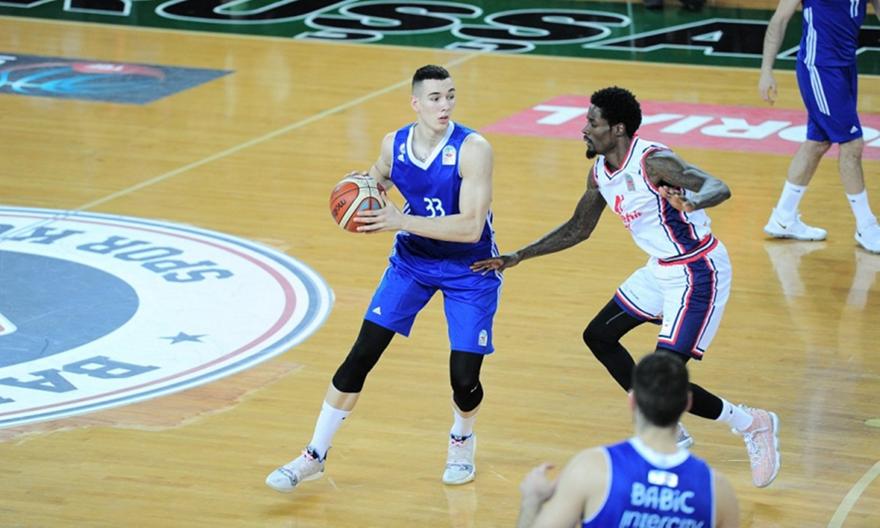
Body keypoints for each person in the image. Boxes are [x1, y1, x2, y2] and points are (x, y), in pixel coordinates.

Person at [472, 86, 780, 488]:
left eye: (592, 122)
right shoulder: (600, 173)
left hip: (698, 270)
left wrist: (692, 203)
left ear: (617, 129)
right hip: (659, 270)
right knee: (599, 336)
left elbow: (717, 186)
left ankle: (752, 423)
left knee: (661, 381)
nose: (584, 129)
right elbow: (578, 228)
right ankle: (664, 418)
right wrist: (518, 256)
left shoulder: (654, 162)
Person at [265, 65, 501, 492]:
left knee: (464, 379)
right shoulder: (394, 145)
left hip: (469, 268)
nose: (445, 105)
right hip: (412, 262)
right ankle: (314, 454)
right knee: (361, 354)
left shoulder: (473, 149)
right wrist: (355, 196)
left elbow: (470, 227)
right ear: (415, 103)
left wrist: (399, 220)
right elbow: (376, 176)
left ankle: (462, 438)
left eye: (450, 96)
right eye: (435, 98)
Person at [516, 352, 740, 528]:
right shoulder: (718, 490)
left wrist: (532, 500)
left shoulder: (592, 468)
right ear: (688, 403)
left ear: (632, 401)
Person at [759, 0, 880, 252]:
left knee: (817, 142)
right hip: (819, 67)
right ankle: (866, 226)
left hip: (846, 66)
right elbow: (779, 19)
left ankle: (783, 218)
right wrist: (766, 71)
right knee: (852, 143)